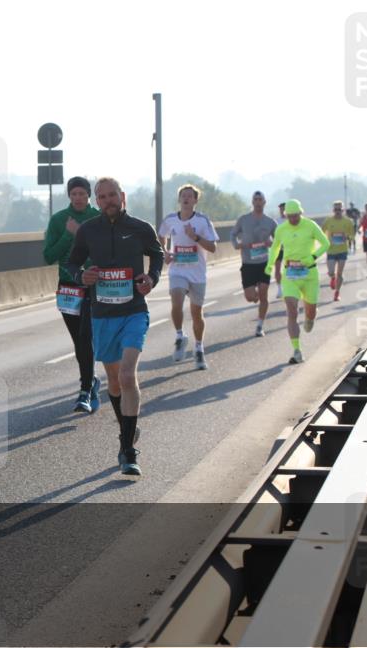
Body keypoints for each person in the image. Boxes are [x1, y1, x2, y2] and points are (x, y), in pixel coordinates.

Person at [68, 177, 165, 476]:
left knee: (126, 374)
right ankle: (128, 428)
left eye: (113, 195)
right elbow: (72, 264)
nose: (109, 200)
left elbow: (157, 254)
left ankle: (127, 449)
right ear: (97, 201)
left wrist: (152, 278)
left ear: (122, 196)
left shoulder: (140, 227)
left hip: (134, 311)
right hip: (102, 315)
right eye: (103, 196)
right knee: (113, 381)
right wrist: (81, 276)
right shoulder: (88, 230)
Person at [43, 176, 101, 412]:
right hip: (68, 287)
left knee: (86, 338)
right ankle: (91, 380)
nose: (78, 198)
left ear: (89, 195)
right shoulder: (58, 220)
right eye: (74, 194)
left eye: (82, 193)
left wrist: (80, 234)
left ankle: (85, 390)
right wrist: (68, 235)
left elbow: (101, 255)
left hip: (92, 286)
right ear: (69, 195)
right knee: (79, 340)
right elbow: (48, 256)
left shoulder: (97, 218)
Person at [158, 184, 218, 370]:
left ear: (195, 200)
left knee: (196, 313)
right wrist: (165, 252)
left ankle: (199, 348)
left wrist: (196, 237)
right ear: (179, 199)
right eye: (183, 195)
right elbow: (161, 236)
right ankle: (179, 336)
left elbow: (213, 248)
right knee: (176, 300)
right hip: (177, 269)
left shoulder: (202, 221)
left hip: (197, 273)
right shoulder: (170, 220)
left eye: (189, 196)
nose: (186, 199)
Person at [264, 199, 330, 364]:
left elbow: (326, 243)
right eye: (289, 216)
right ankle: (297, 350)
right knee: (291, 311)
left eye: (295, 216)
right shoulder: (281, 229)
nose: (292, 219)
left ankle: (310, 318)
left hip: (309, 275)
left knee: (311, 312)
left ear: (301, 213)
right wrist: (270, 265)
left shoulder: (311, 225)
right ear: (285, 215)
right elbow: (275, 248)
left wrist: (313, 256)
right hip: (290, 276)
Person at [231, 191, 278, 336]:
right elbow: (233, 234)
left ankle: (260, 325)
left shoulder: (270, 222)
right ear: (252, 202)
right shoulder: (244, 219)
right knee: (250, 297)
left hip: (264, 262)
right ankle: (255, 296)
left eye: (260, 200)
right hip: (248, 263)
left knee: (264, 294)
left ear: (264, 202)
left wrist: (272, 243)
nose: (258, 202)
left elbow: (279, 241)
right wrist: (237, 244)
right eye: (255, 200)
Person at [321, 200, 355, 301]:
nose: (337, 211)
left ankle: (337, 293)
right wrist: (326, 240)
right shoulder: (328, 221)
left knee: (339, 273)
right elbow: (321, 232)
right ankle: (332, 278)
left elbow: (352, 236)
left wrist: (347, 237)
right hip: (331, 250)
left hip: (342, 250)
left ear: (343, 210)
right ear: (333, 210)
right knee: (331, 272)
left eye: (339, 209)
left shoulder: (348, 221)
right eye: (336, 209)